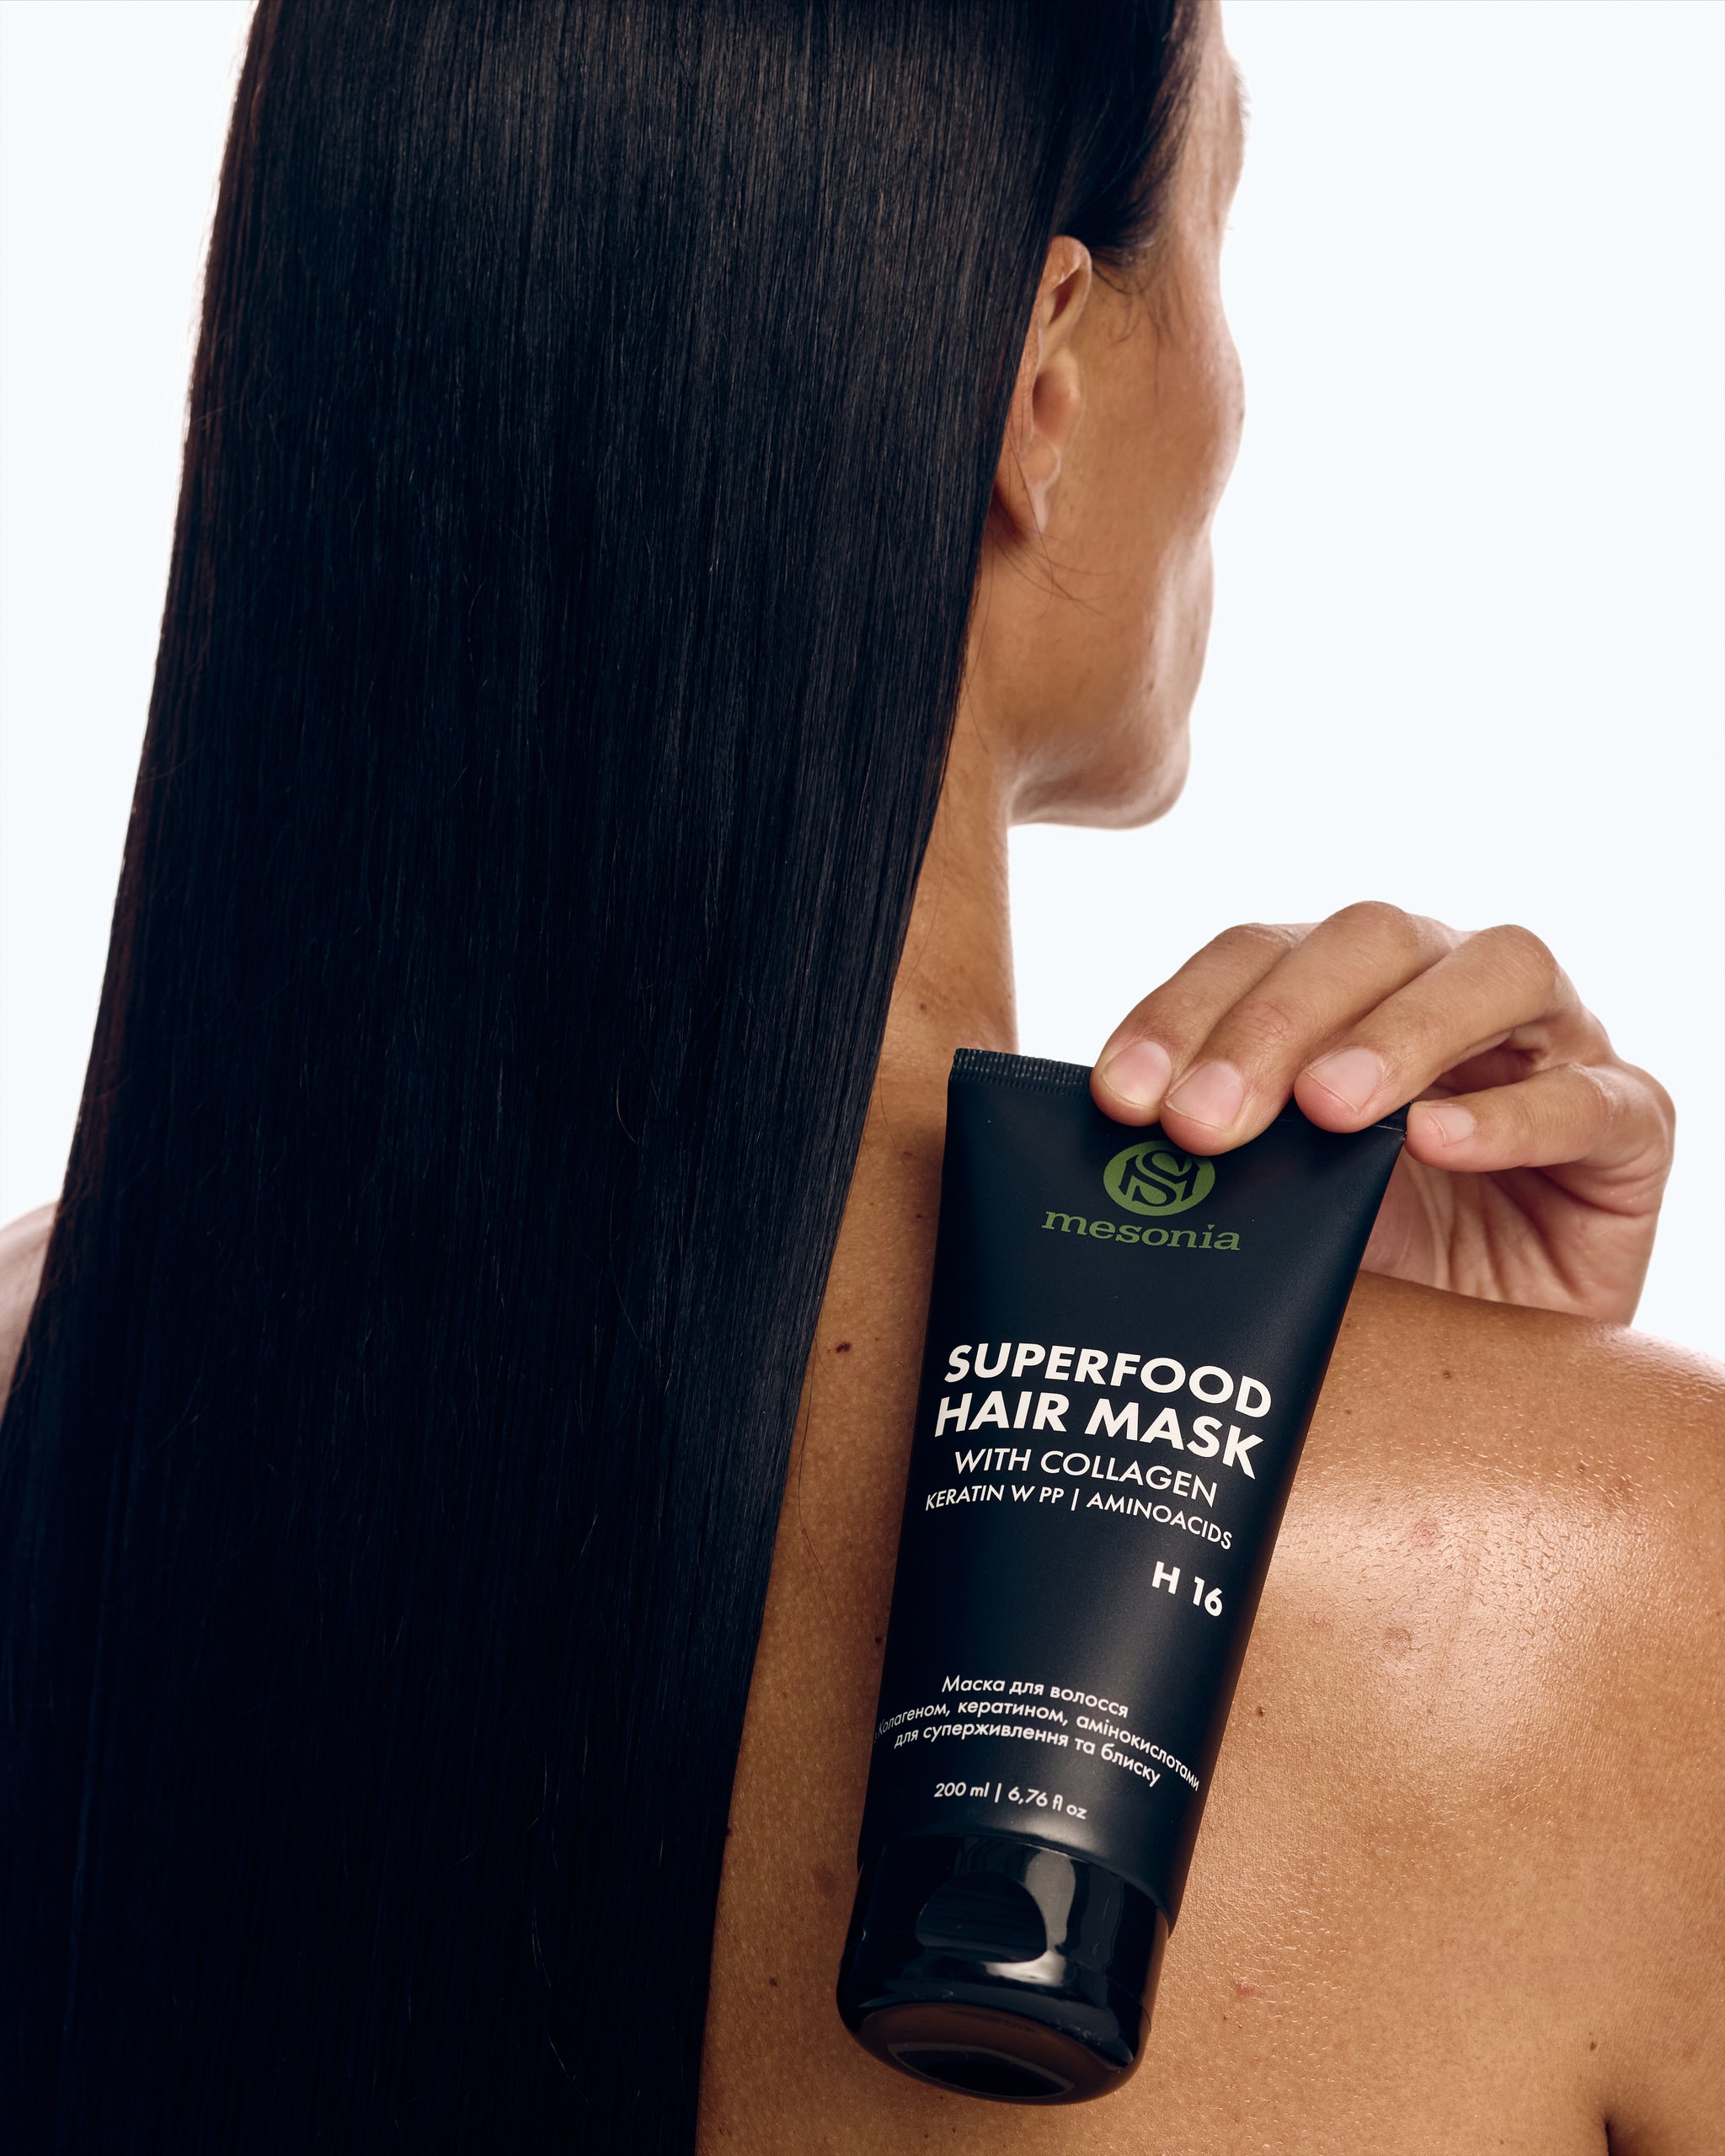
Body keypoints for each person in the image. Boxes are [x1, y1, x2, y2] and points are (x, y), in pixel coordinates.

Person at [2, 3, 1717, 2150]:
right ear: (1040, 379)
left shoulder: (46, 1388)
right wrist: (1520, 1442)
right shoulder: (1626, 1606)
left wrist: (1389, 1381)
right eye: (1222, 222)